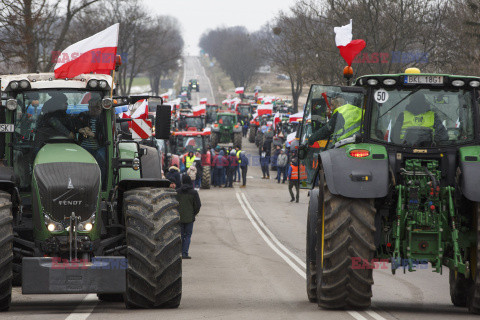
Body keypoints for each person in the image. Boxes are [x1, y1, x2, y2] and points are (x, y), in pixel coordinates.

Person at [75, 97, 107, 184]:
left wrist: (94, 135)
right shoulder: (83, 116)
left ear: (100, 108)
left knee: (101, 163)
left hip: (99, 147)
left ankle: (101, 184)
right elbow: (75, 125)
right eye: (91, 107)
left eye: (97, 107)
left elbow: (106, 136)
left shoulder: (104, 118)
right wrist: (81, 129)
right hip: (85, 146)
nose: (94, 110)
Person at [176, 175, 201, 259]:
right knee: (187, 236)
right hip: (190, 218)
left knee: (181, 235)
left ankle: (179, 253)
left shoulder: (177, 192)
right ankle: (185, 253)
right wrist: (193, 213)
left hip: (179, 218)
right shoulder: (193, 192)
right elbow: (198, 205)